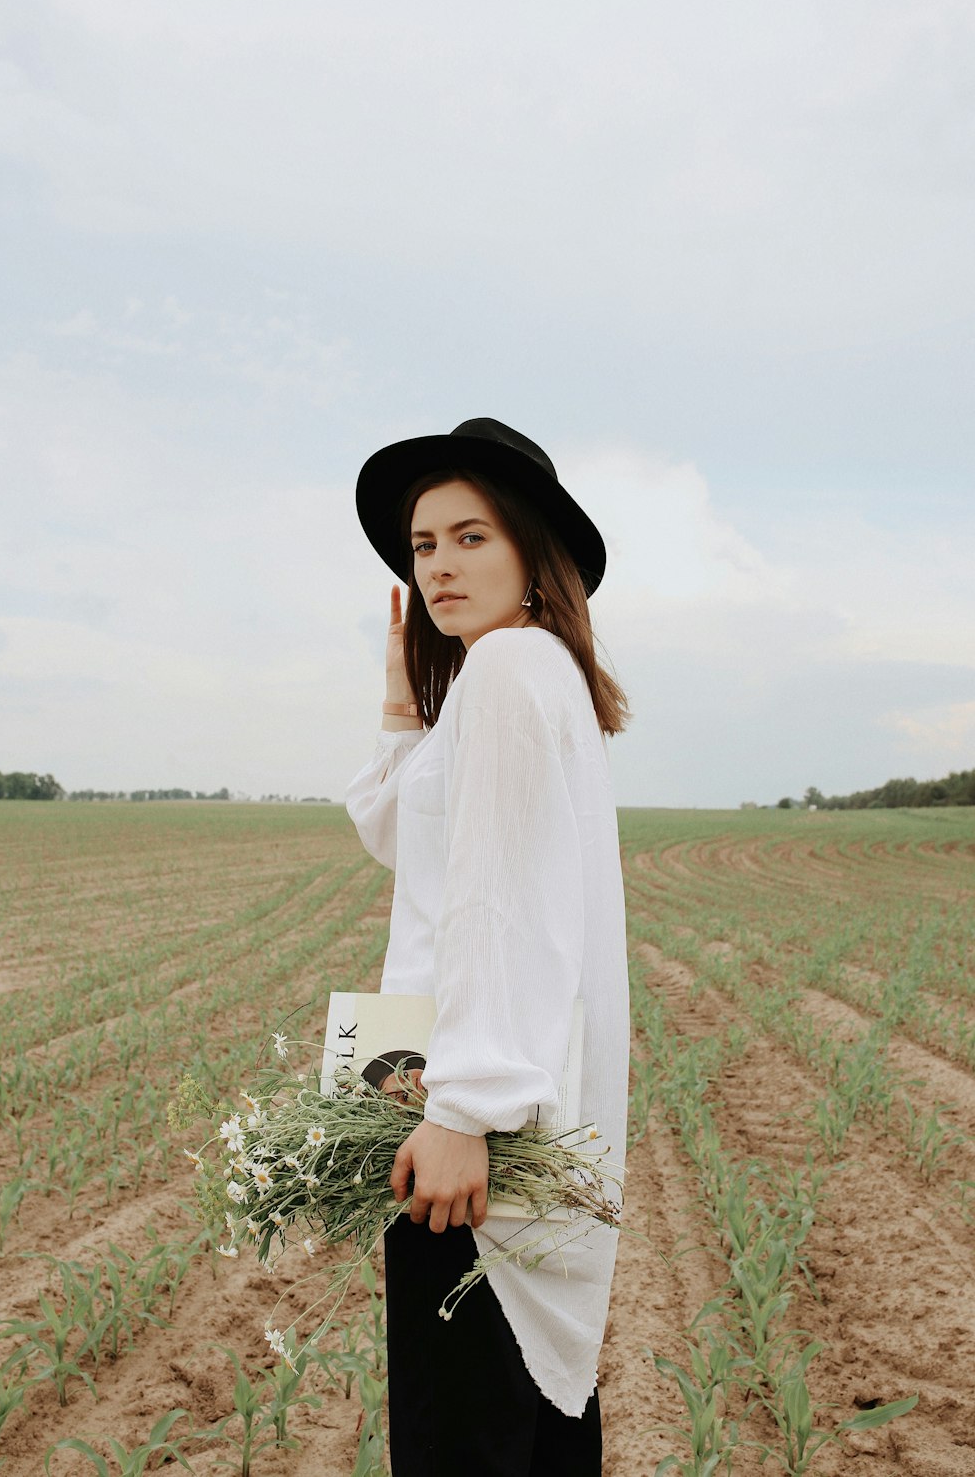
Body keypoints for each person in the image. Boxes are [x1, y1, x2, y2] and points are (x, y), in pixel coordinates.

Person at [345, 417, 630, 1477]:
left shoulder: (510, 667)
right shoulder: (511, 674)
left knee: (472, 1428)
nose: (439, 566)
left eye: (470, 537)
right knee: (509, 1425)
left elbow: (501, 907)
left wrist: (463, 1109)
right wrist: (399, 685)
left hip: (472, 1134)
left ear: (530, 551)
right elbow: (401, 833)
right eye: (423, 546)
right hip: (479, 1114)